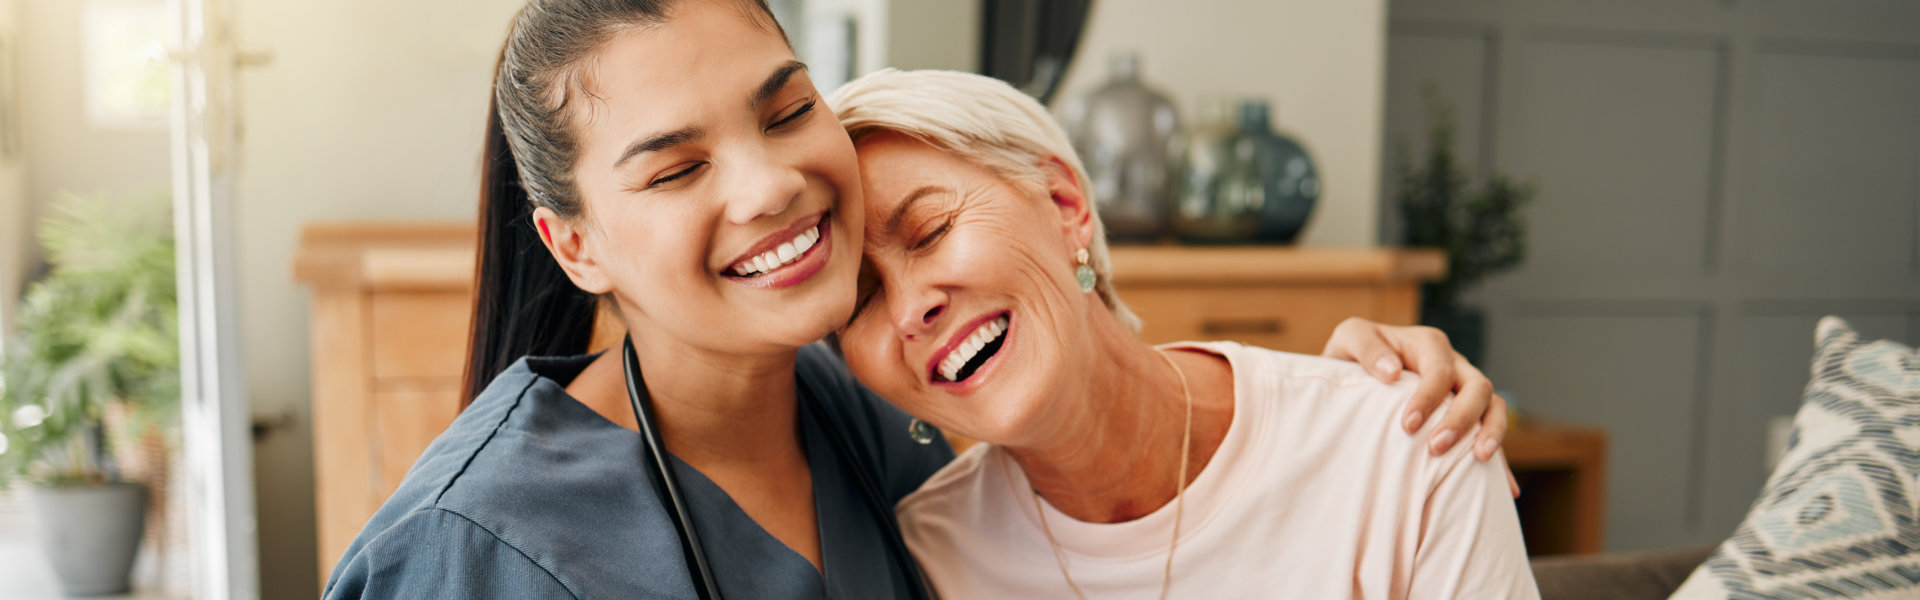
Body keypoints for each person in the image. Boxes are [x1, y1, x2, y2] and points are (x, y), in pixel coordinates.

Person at [323, 1, 1506, 597]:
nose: (771, 184)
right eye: (678, 168)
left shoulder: (886, 414)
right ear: (575, 245)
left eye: (786, 110)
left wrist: (1358, 391)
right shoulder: (477, 548)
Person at [831, 69, 1539, 599]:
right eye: (857, 302)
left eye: (930, 230)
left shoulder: (1411, 445)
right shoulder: (924, 563)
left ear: (1063, 203)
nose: (907, 310)